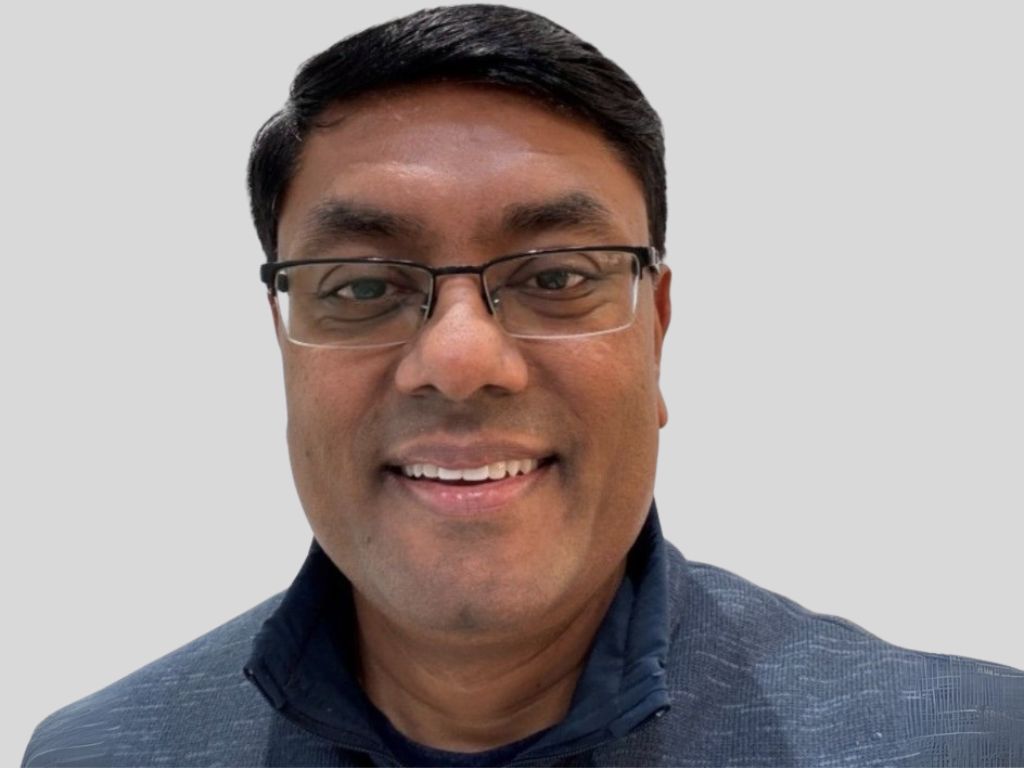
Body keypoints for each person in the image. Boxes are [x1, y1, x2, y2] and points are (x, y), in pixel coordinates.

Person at [22, 5, 1024, 766]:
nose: (461, 361)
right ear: (284, 344)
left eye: (555, 278)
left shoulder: (961, 744)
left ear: (657, 331)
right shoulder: (102, 754)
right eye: (362, 287)